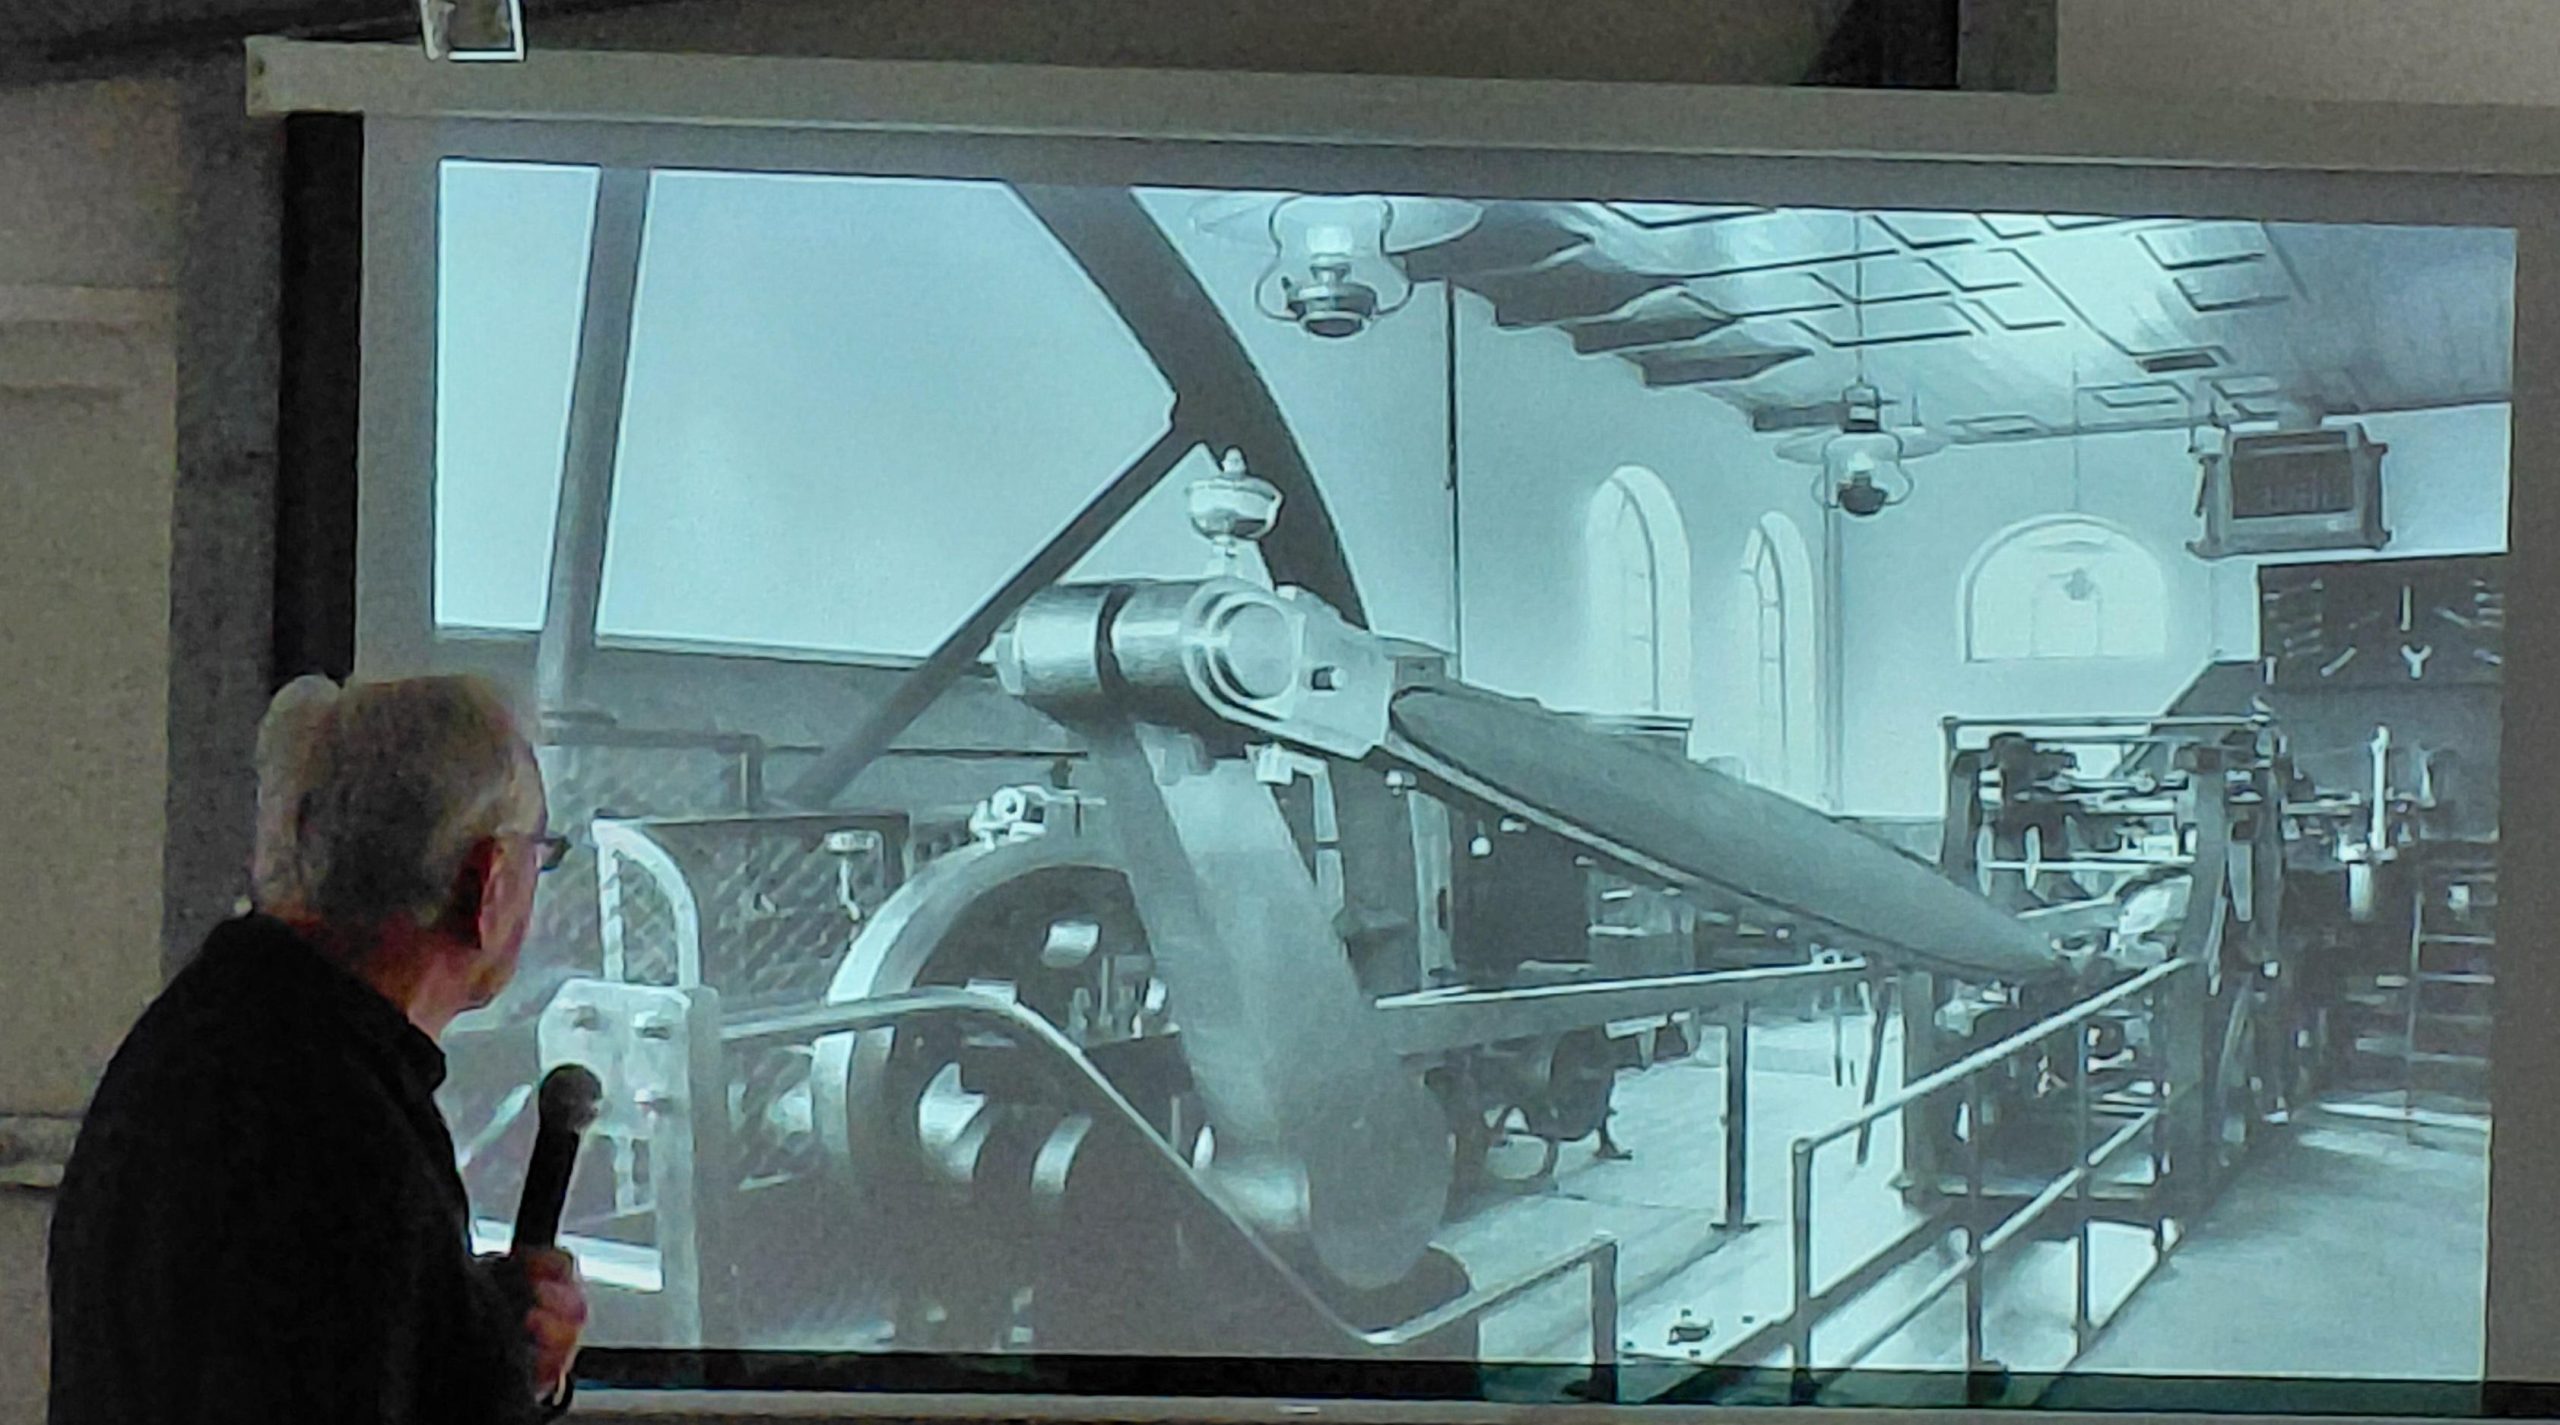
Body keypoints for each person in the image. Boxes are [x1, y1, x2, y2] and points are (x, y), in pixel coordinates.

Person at [47, 673, 590, 1424]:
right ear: (486, 880)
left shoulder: (220, 1037)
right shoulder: (337, 1133)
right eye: (541, 855)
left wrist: (480, 1335)